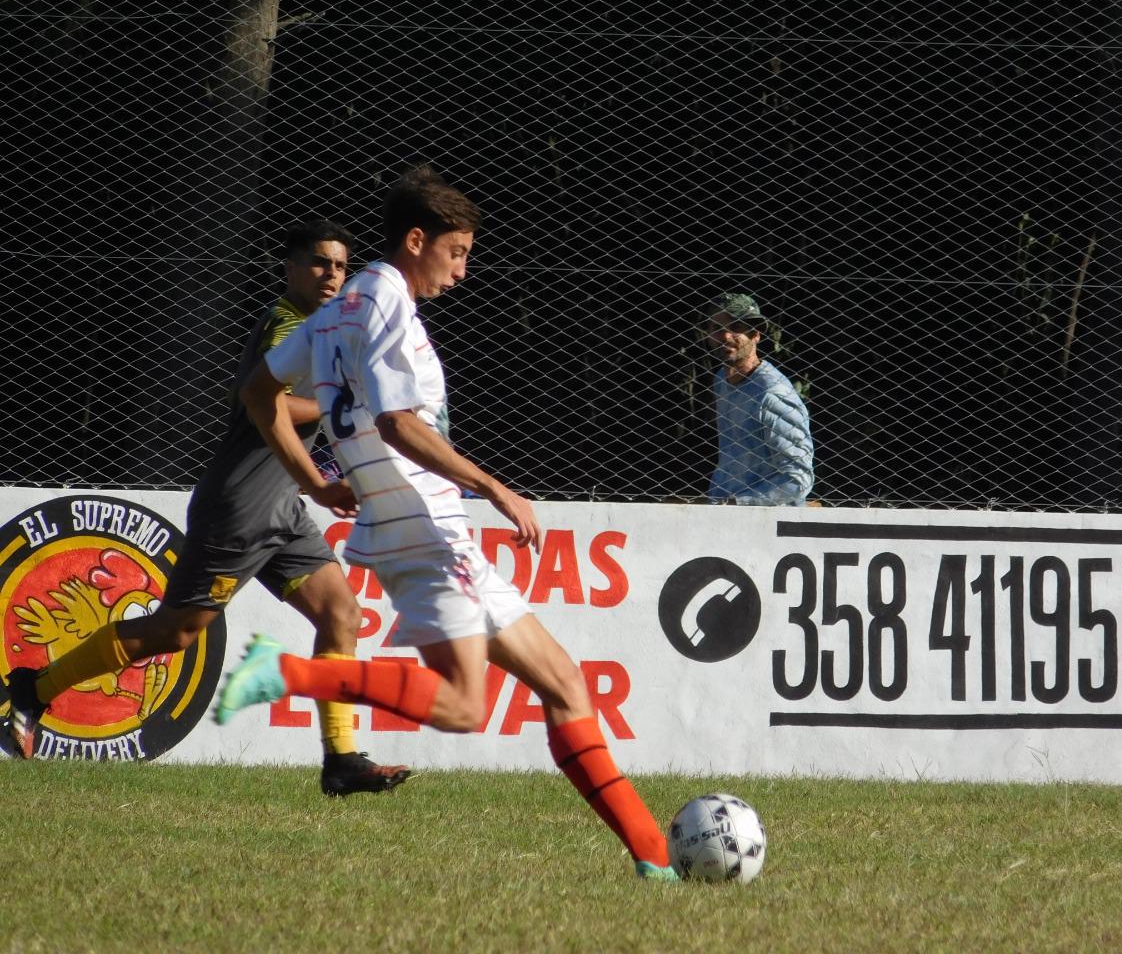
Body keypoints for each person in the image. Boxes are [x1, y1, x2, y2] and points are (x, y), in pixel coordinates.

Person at [217, 170, 680, 882]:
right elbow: (399, 424)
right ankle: (286, 672)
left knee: (564, 682)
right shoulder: (386, 303)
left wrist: (313, 481)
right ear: (416, 240)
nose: (462, 271)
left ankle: (654, 857)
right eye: (456, 252)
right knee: (464, 706)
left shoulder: (340, 309)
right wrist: (494, 486)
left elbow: (257, 393)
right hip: (424, 527)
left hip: (429, 530)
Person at [4, 218, 410, 798]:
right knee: (174, 633)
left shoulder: (322, 332)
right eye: (320, 262)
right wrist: (343, 401)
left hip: (283, 509)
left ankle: (341, 760)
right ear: (290, 269)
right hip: (239, 508)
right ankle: (36, 688)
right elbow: (268, 402)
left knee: (341, 614)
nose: (332, 275)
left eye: (341, 266)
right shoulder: (287, 324)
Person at [703, 292, 814, 506]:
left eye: (736, 327)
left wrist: (739, 504)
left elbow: (798, 479)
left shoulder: (772, 394)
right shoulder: (722, 380)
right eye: (717, 328)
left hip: (764, 518)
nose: (725, 336)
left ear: (755, 335)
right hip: (722, 511)